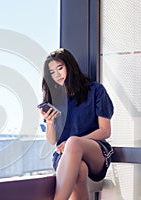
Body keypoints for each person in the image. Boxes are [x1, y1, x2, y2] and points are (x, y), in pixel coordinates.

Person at [40, 48, 114, 200]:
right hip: (64, 156)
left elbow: (105, 131)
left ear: (70, 66)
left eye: (60, 68)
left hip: (95, 152)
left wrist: (72, 143)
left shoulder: (96, 90)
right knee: (79, 171)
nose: (57, 75)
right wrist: (50, 121)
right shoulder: (55, 99)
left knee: (73, 142)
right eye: (52, 72)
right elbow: (53, 141)